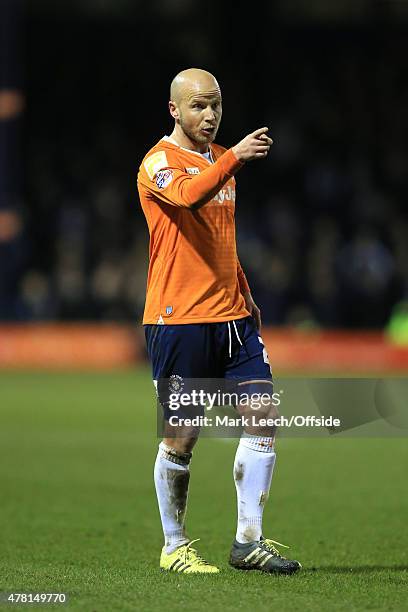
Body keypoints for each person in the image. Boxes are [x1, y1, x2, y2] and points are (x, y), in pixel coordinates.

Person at [137, 68, 301, 575]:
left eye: (216, 106)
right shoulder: (159, 164)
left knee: (263, 415)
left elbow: (219, 240)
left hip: (233, 318)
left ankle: (247, 540)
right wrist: (232, 159)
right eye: (198, 106)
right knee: (182, 437)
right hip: (179, 320)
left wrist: (245, 292)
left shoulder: (218, 161)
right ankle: (174, 546)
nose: (209, 116)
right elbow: (189, 197)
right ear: (174, 110)